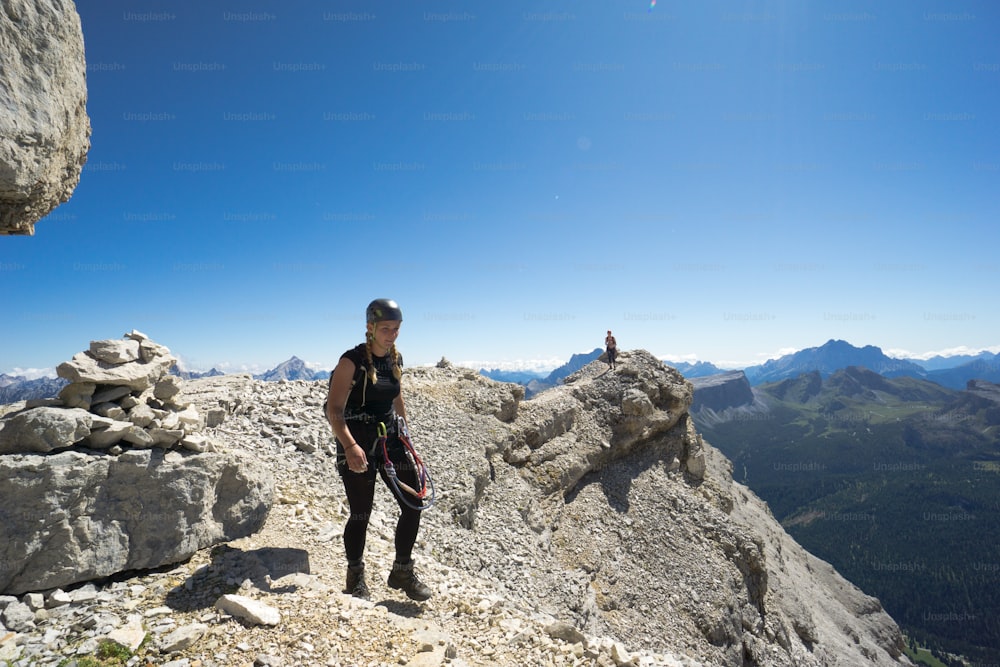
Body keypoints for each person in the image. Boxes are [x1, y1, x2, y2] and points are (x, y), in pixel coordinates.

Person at [325, 298, 432, 601]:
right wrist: (349, 446)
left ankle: (401, 570)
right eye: (386, 328)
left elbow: (396, 397)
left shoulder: (395, 360)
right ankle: (355, 576)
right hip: (356, 442)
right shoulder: (351, 362)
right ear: (370, 327)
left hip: (390, 440)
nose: (392, 334)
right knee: (361, 512)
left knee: (414, 503)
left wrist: (406, 432)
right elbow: (333, 409)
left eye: (396, 329)